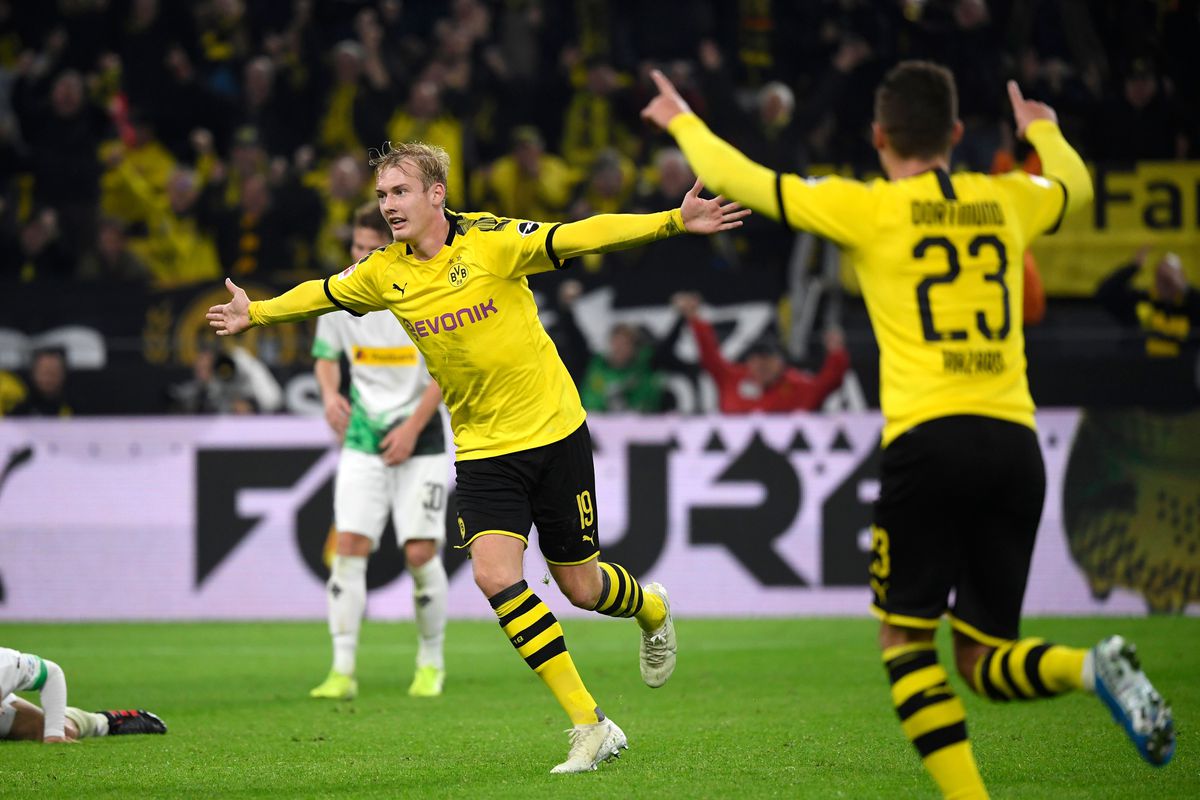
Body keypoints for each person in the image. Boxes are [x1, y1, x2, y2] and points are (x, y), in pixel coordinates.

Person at [643, 62, 1176, 797]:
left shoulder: (867, 209)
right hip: (1016, 443)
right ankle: (1091, 668)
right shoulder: (1008, 200)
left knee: (904, 644)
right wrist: (1043, 131)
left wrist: (679, 119)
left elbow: (739, 173)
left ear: (877, 135)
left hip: (929, 439)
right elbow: (1077, 188)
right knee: (986, 661)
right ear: (957, 133)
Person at [208, 140, 749, 773]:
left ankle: (650, 607)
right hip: (484, 449)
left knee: (581, 585)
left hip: (554, 431)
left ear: (437, 194)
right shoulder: (386, 271)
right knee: (495, 576)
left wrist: (673, 221)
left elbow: (580, 236)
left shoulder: (491, 241)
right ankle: (589, 723)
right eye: (382, 195)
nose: (388, 206)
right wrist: (259, 313)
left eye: (400, 191)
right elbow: (323, 293)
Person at [309, 202, 451, 701]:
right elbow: (326, 357)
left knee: (418, 550)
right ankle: (342, 670)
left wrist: (413, 427)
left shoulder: (421, 291)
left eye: (372, 250)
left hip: (424, 436)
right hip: (365, 436)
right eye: (356, 248)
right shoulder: (343, 293)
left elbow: (444, 370)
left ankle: (430, 662)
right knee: (348, 546)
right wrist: (331, 396)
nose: (362, 259)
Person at [673, 291, 849, 413]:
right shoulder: (732, 378)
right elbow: (710, 357)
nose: (762, 364)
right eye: (757, 358)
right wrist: (694, 318)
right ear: (748, 361)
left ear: (781, 362)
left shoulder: (799, 385)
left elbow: (830, 381)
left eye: (768, 358)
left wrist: (836, 352)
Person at [1, 646, 166, 742]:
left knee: (56, 729)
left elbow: (52, 673)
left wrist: (54, 734)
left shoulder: (6, 664)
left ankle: (102, 722)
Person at [1097, 247, 1200, 359]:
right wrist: (1133, 267)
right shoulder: (1140, 300)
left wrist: (1185, 288)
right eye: (1161, 276)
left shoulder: (1190, 306)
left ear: (1182, 278)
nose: (1166, 281)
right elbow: (1105, 293)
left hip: (1183, 369)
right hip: (1141, 367)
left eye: (1171, 278)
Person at [10, 348, 73, 417]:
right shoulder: (20, 411)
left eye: (54, 373)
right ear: (33, 374)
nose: (49, 379)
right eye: (44, 373)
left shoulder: (76, 409)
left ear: (63, 374)